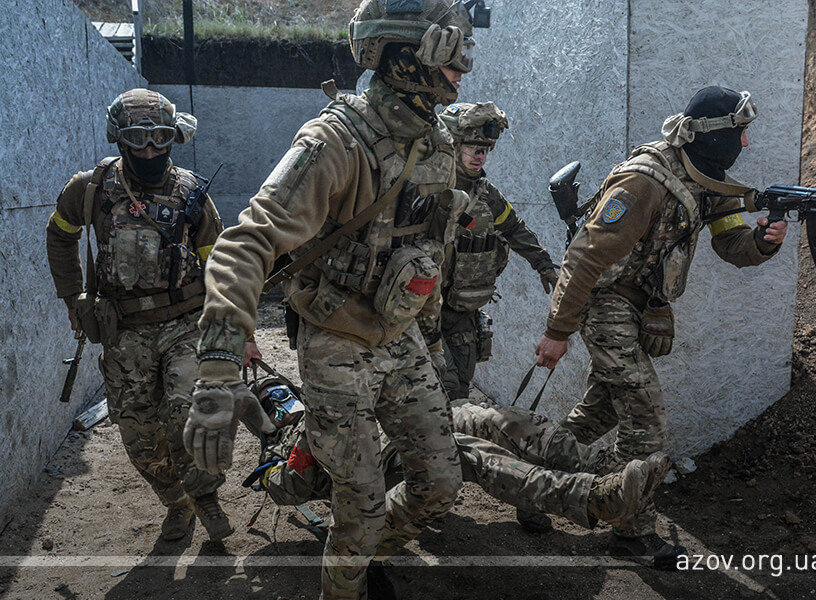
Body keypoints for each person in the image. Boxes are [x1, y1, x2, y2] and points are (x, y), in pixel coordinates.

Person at [181, 2, 488, 600]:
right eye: (451, 49)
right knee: (361, 504)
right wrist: (216, 369)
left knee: (440, 485)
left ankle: (359, 554)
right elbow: (246, 243)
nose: (463, 66)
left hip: (401, 337)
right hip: (335, 343)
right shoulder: (335, 141)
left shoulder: (434, 138)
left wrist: (430, 339)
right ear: (406, 54)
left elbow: (428, 250)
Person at [534, 86, 788, 569]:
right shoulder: (643, 183)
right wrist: (557, 331)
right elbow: (584, 258)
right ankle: (631, 532)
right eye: (740, 133)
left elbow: (731, 243)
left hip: (638, 306)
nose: (746, 144)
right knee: (645, 417)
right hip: (604, 301)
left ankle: (531, 479)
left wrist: (763, 241)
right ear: (712, 135)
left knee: (601, 410)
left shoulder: (709, 180)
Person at [45, 88, 235, 542]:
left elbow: (218, 260)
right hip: (124, 330)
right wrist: (73, 297)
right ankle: (177, 502)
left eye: (160, 139)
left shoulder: (191, 192)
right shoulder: (90, 189)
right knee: (139, 435)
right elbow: (60, 234)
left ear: (174, 137)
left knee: (189, 411)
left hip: (185, 323)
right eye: (138, 140)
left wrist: (230, 325)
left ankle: (206, 495)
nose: (150, 151)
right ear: (119, 138)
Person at [236, 372, 669, 550]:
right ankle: (593, 498)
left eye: (282, 392)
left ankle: (604, 471)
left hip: (403, 428)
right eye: (271, 401)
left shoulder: (326, 393)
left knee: (497, 419)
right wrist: (299, 443)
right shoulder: (279, 449)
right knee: (462, 450)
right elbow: (289, 488)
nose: (281, 402)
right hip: (380, 470)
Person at [436, 102, 558, 401]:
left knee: (461, 386)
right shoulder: (429, 190)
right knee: (443, 386)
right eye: (472, 148)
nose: (479, 156)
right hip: (423, 309)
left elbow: (513, 229)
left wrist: (544, 265)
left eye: (485, 150)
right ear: (453, 146)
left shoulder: (485, 194)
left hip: (461, 309)